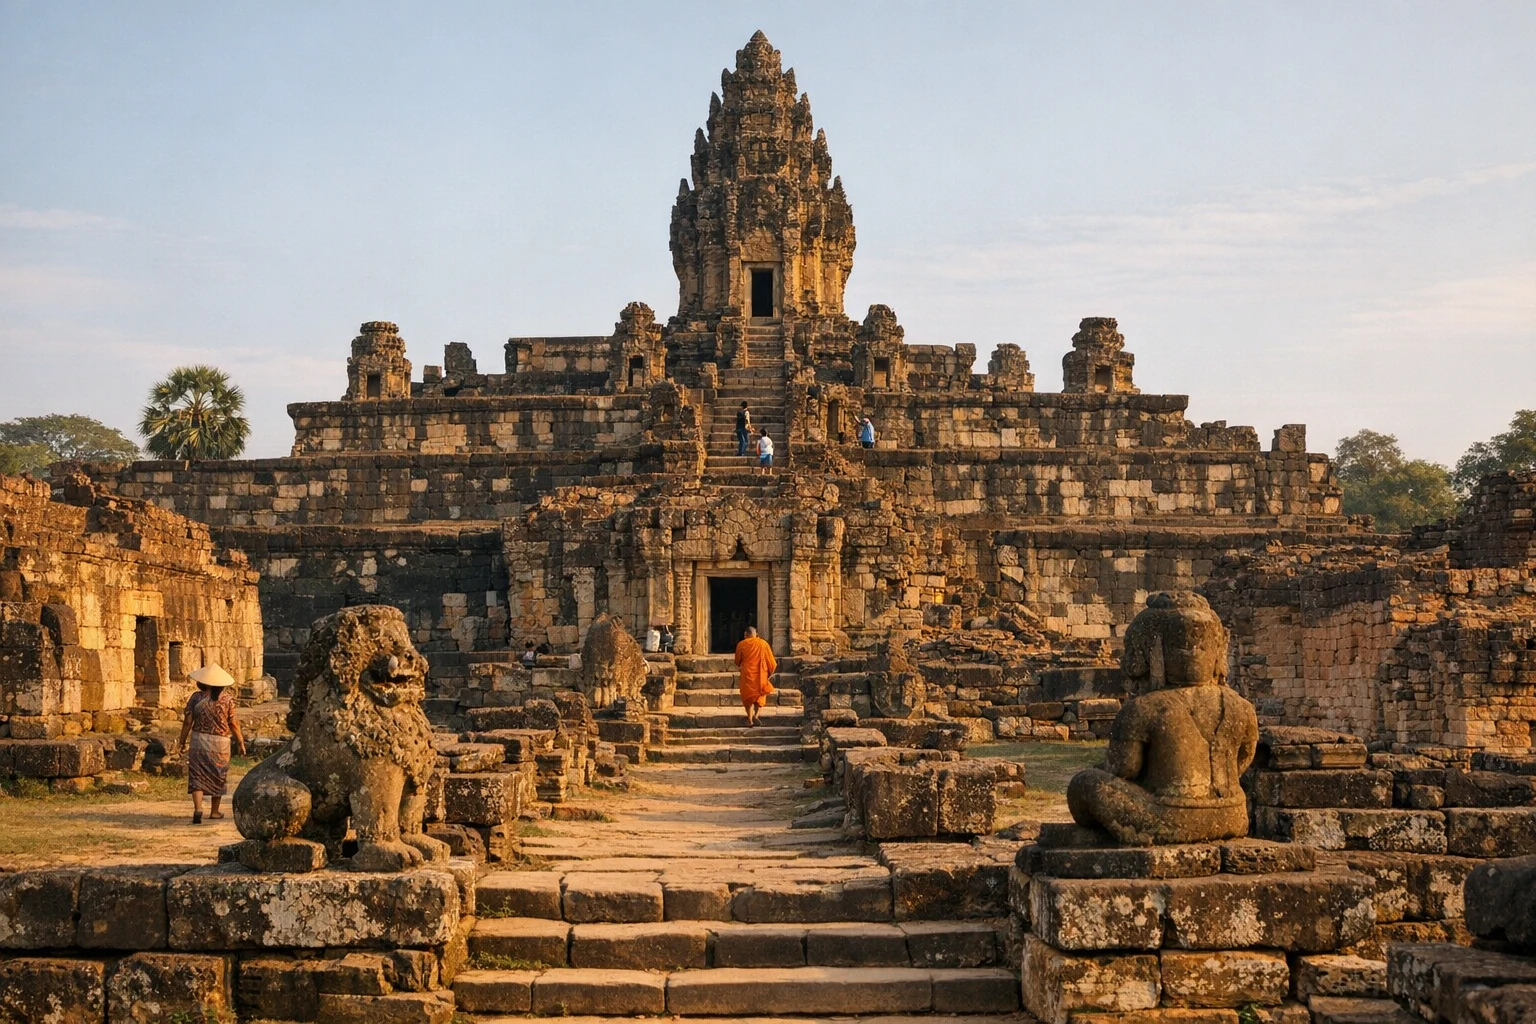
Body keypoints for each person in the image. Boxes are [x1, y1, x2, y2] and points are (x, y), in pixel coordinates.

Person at [176, 664, 246, 824]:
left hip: (199, 741)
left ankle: (198, 808)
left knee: (197, 775)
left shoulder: (196, 698)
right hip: (220, 743)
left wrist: (182, 741)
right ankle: (214, 811)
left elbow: (188, 722)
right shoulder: (227, 699)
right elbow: (233, 723)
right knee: (218, 774)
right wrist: (240, 741)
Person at [733, 626, 777, 727]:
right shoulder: (763, 644)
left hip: (747, 674)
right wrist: (768, 674)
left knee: (747, 697)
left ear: (745, 635)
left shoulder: (741, 644)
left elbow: (737, 661)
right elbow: (773, 663)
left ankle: (749, 719)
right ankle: (756, 716)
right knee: (760, 696)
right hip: (761, 674)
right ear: (756, 634)